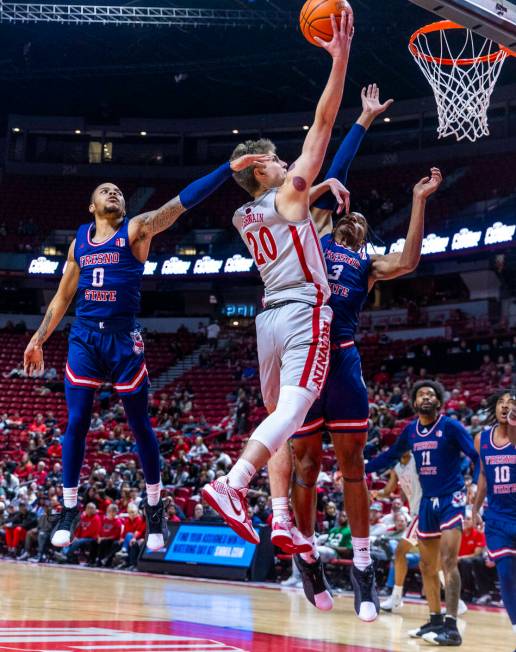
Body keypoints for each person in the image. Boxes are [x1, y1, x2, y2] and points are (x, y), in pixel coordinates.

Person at [23, 151, 265, 553]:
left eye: (118, 190)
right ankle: (68, 509)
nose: (113, 193)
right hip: (84, 337)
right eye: (106, 190)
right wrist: (37, 340)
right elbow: (62, 298)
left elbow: (178, 205)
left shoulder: (136, 229)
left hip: (123, 339)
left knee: (140, 425)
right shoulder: (79, 241)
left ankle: (154, 506)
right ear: (92, 205)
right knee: (77, 420)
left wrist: (226, 169)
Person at [266, 89, 442, 618]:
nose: (355, 221)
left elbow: (410, 260)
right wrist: (363, 120)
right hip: (304, 355)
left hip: (340, 359)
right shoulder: (315, 240)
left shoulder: (367, 265)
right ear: (338, 217)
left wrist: (418, 201)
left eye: (364, 224)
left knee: (351, 468)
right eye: (351, 216)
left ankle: (363, 568)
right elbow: (330, 164)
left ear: (364, 238)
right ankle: (308, 558)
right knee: (303, 464)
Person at [202, 15, 355, 606]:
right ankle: (232, 482)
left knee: (281, 426)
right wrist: (339, 58)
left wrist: (315, 192)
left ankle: (282, 516)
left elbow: (285, 206)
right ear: (265, 167)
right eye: (277, 156)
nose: (289, 157)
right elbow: (323, 123)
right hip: (303, 313)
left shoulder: (245, 215)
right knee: (293, 414)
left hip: (267, 319)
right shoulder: (287, 187)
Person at [366, 380, 479, 646]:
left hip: (451, 498)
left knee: (448, 561)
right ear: (414, 403)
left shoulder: (450, 426)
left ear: (439, 402)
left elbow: (476, 456)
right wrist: (360, 469)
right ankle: (435, 619)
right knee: (428, 566)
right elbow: (391, 455)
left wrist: (474, 483)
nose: (426, 397)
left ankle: (451, 627)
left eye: (431, 394)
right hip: (427, 502)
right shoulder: (410, 431)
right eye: (420, 395)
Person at [472, 389, 516, 636]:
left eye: (511, 403)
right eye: (501, 402)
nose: (505, 406)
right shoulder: (482, 439)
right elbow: (483, 476)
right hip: (497, 518)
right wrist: (475, 508)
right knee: (507, 576)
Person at [372, 451, 422, 613]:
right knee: (433, 562)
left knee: (400, 552)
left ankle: (396, 597)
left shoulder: (418, 460)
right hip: (416, 512)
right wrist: (373, 494)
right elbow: (387, 491)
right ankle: (456, 602)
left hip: (423, 512)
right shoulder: (396, 467)